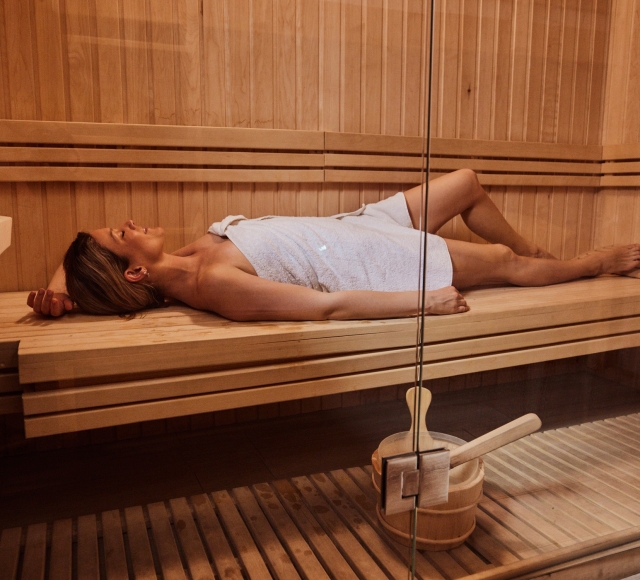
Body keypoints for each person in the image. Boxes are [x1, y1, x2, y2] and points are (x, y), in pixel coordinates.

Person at [27, 169, 640, 321]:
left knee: (468, 184)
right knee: (504, 267)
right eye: (121, 236)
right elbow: (326, 308)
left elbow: (80, 258)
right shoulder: (212, 285)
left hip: (356, 222)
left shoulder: (186, 255)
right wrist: (419, 303)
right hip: (374, 261)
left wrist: (62, 293)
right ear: (133, 275)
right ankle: (594, 264)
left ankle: (546, 258)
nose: (129, 224)